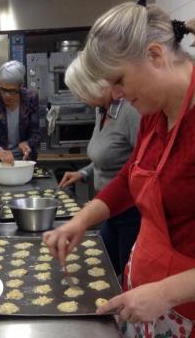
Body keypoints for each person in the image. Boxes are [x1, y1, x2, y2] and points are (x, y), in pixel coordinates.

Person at [43, 1, 195, 337]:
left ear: (156, 55)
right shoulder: (154, 113)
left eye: (119, 80)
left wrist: (164, 292)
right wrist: (81, 221)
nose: (115, 94)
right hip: (149, 300)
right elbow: (132, 175)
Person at [58, 55, 141, 279]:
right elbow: (106, 157)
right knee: (106, 272)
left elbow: (140, 165)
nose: (81, 98)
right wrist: (84, 172)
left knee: (126, 276)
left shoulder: (131, 112)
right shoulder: (103, 110)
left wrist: (86, 215)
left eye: (83, 92)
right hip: (109, 209)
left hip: (132, 213)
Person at [0, 60, 41, 165]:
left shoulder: (30, 98)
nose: (7, 95)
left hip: (24, 159)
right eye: (3, 89)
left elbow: (36, 133)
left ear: (21, 86)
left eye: (12, 91)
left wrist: (27, 143)